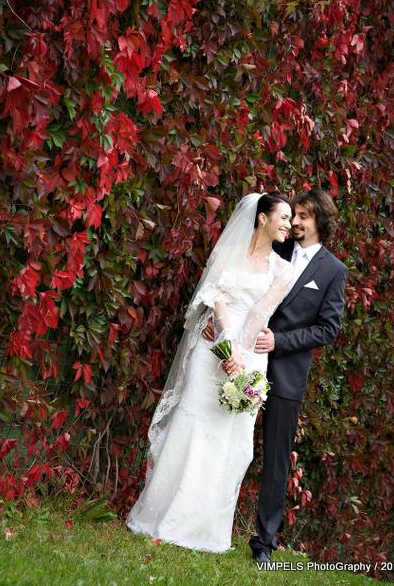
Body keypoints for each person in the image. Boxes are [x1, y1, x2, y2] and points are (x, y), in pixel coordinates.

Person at [126, 192, 295, 553]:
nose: (288, 224)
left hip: (248, 357)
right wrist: (224, 342)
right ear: (262, 218)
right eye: (283, 217)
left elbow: (259, 314)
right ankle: (160, 515)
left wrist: (239, 358)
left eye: (290, 219)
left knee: (227, 437)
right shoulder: (227, 253)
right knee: (192, 424)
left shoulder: (283, 270)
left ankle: (204, 527)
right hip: (213, 347)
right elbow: (215, 298)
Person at [204, 188, 348, 562]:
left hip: (285, 372)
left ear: (320, 221)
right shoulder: (276, 247)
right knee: (223, 435)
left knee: (276, 459)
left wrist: (279, 341)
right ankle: (206, 517)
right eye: (293, 214)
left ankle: (264, 542)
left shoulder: (333, 271)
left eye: (303, 216)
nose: (294, 221)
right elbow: (236, 286)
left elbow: (328, 328)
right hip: (242, 359)